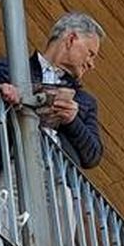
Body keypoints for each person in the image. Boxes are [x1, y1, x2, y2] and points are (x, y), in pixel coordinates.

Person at [31, 11, 105, 170]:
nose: (91, 64)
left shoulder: (85, 101)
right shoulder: (12, 68)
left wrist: (72, 120)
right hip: (7, 172)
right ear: (71, 39)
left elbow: (93, 156)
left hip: (60, 186)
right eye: (90, 54)